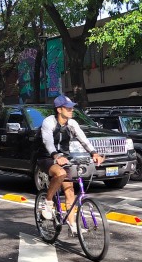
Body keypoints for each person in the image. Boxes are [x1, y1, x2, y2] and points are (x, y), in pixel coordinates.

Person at [38, 95, 105, 234]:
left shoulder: (71, 123)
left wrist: (94, 153)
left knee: (70, 191)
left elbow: (83, 138)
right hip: (46, 157)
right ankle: (48, 202)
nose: (71, 110)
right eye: (68, 107)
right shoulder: (48, 122)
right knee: (60, 173)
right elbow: (48, 142)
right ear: (59, 109)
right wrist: (56, 155)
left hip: (65, 158)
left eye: (72, 107)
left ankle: (72, 223)